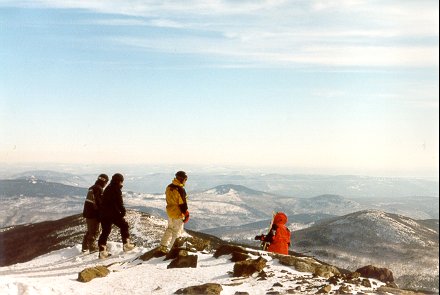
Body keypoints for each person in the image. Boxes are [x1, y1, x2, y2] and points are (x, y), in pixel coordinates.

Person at [97, 173, 135, 259]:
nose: (122, 183)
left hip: (103, 214)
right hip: (112, 213)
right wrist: (123, 212)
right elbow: (119, 202)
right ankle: (126, 244)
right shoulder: (116, 189)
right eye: (122, 181)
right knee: (124, 225)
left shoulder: (108, 188)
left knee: (105, 231)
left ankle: (102, 251)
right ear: (119, 181)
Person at [156, 171, 190, 256]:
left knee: (170, 229)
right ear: (182, 179)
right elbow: (182, 203)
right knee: (177, 232)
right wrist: (186, 213)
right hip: (178, 213)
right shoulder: (180, 189)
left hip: (170, 212)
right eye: (185, 179)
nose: (186, 181)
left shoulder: (169, 187)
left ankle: (163, 245)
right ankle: (173, 250)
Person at [81, 173, 109, 253]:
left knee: (90, 230)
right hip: (93, 214)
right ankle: (92, 249)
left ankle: (85, 247)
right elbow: (99, 204)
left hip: (88, 213)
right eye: (106, 182)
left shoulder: (93, 188)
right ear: (104, 181)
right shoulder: (98, 189)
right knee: (94, 232)